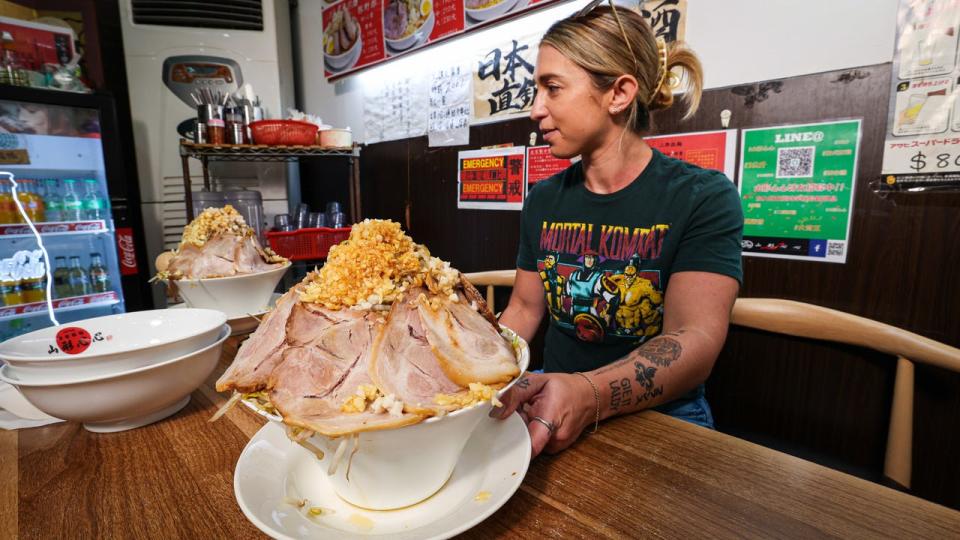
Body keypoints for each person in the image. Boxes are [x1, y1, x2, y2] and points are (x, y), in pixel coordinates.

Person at [493, 2, 743, 458]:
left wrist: (589, 394)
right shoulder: (545, 200)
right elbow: (525, 309)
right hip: (553, 401)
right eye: (537, 89)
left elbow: (694, 339)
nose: (535, 110)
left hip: (663, 418)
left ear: (618, 94)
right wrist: (474, 370)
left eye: (552, 88)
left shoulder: (702, 197)